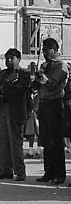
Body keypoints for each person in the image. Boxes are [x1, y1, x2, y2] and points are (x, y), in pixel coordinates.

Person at [0, 47, 30, 181]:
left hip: (15, 110)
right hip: (0, 109)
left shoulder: (23, 74)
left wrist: (7, 88)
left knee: (15, 142)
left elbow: (21, 89)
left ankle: (20, 171)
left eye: (12, 58)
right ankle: (4, 170)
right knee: (0, 142)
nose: (9, 60)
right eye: (7, 58)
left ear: (19, 60)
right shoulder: (1, 74)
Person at [35, 37, 68, 185]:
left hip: (54, 104)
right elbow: (37, 87)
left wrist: (42, 77)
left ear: (54, 50)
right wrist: (35, 79)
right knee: (46, 140)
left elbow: (52, 85)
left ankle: (59, 174)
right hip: (43, 104)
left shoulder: (61, 66)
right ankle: (49, 172)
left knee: (56, 140)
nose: (43, 52)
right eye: (42, 49)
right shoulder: (44, 65)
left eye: (46, 49)